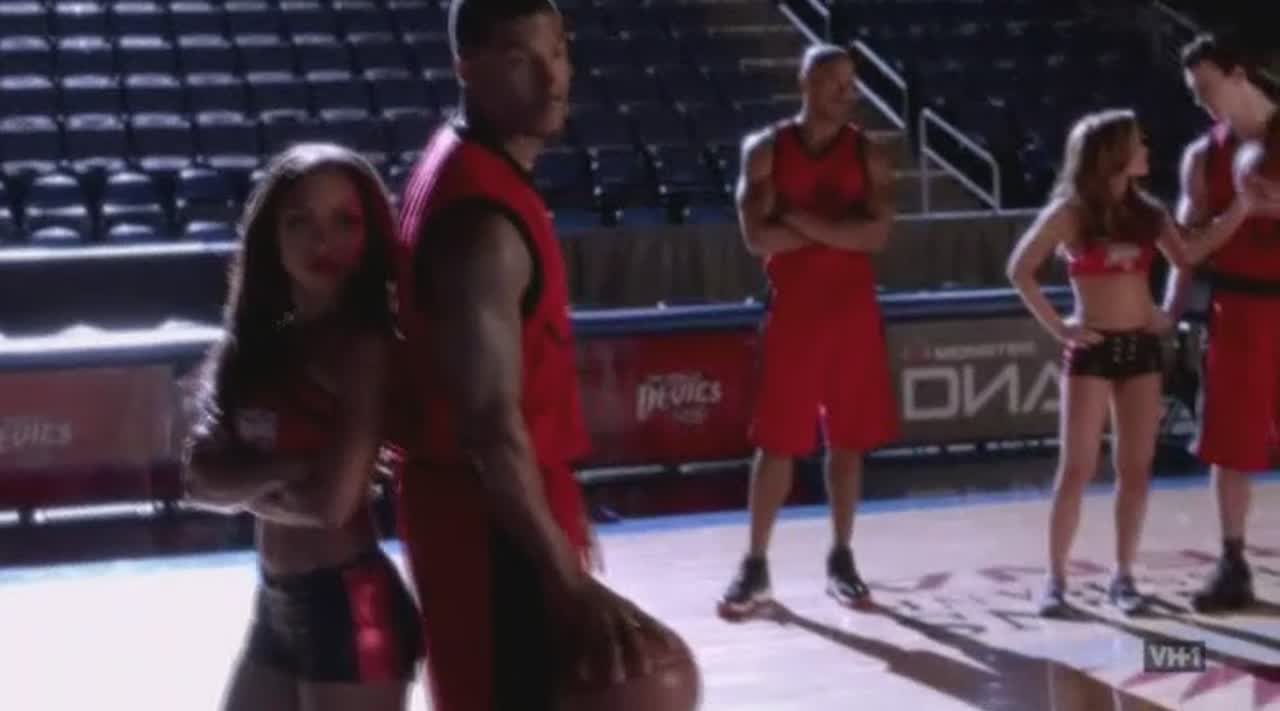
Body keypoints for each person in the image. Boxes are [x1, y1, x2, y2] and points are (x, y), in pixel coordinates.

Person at [391, 1, 660, 709]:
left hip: (485, 517)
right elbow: (490, 430)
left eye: (559, 52)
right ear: (466, 67)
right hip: (489, 531)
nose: (553, 77)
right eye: (520, 58)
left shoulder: (466, 166)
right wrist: (564, 575)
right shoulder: (481, 221)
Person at [182, 143, 422, 711]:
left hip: (350, 607)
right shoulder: (263, 338)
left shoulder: (364, 347)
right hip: (276, 601)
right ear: (271, 233)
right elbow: (196, 478)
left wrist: (240, 485)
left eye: (345, 222)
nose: (322, 242)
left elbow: (330, 506)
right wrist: (292, 467)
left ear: (370, 234)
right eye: (300, 222)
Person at [1008, 108, 1249, 616]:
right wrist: (1060, 327)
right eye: (1137, 142)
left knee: (1135, 469)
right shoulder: (1070, 212)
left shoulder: (1148, 212)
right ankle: (1055, 578)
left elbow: (1188, 255)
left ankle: (1123, 577)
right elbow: (1020, 269)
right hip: (1091, 351)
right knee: (1077, 468)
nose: (1146, 150)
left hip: (1140, 350)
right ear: (1112, 154)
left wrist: (1239, 209)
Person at [717, 43, 900, 618]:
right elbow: (757, 239)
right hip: (795, 314)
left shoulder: (869, 152)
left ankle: (842, 556)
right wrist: (837, 229)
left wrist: (794, 217)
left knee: (848, 441)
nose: (847, 92)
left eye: (851, 82)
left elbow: (876, 237)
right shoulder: (766, 150)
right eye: (835, 81)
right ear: (806, 84)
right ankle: (755, 563)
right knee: (777, 443)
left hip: (853, 314)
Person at [1162, 33, 1280, 613]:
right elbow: (1186, 248)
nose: (1202, 100)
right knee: (1230, 443)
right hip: (1239, 307)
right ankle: (1232, 563)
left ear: (1239, 75)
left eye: (1207, 87)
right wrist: (1167, 314)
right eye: (1193, 92)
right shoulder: (1202, 157)